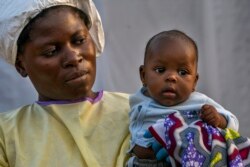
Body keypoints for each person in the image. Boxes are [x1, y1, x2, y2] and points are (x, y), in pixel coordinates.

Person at [0, 0, 132, 166]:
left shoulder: (139, 112)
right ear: (21, 65)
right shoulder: (6, 135)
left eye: (79, 40)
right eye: (51, 51)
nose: (73, 58)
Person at [127, 30, 250, 166]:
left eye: (183, 72)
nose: (172, 77)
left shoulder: (198, 102)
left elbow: (233, 123)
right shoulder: (137, 99)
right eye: (160, 70)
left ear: (194, 82)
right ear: (143, 75)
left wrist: (218, 119)